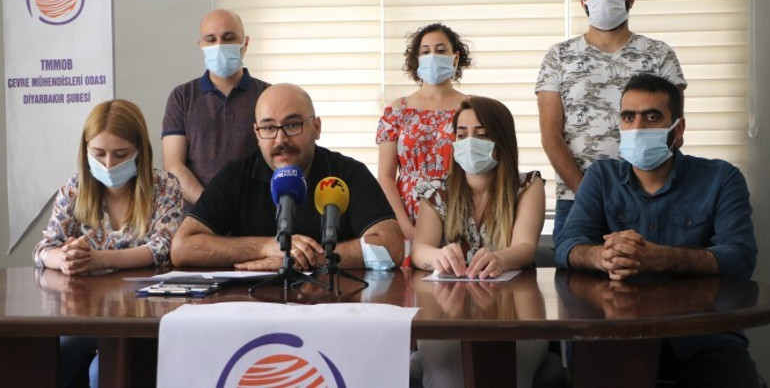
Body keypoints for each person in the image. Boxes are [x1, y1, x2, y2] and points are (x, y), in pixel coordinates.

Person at [555, 74, 760, 387]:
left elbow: (740, 258)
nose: (637, 127)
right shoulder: (601, 176)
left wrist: (662, 258)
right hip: (615, 334)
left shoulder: (721, 178)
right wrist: (601, 256)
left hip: (703, 334)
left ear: (678, 129)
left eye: (652, 117)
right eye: (629, 117)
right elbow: (566, 244)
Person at [170, 83, 404, 271]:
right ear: (257, 134)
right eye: (269, 128)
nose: (280, 140)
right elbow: (182, 248)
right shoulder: (237, 175)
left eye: (292, 125)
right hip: (256, 305)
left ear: (316, 128)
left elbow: (391, 246)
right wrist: (265, 247)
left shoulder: (347, 173)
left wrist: (311, 258)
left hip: (333, 301)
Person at [32, 99, 183, 388]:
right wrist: (64, 258)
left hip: (143, 314)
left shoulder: (165, 187)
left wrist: (100, 259)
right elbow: (43, 249)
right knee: (54, 358)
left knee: (101, 372)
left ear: (139, 150)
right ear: (85, 150)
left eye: (121, 154)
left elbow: (163, 248)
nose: (109, 164)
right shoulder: (74, 189)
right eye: (99, 154)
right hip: (85, 313)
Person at [536, 0, 687, 237]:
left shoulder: (660, 54)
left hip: (650, 199)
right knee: (576, 266)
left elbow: (673, 130)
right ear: (584, 3)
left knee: (652, 265)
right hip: (577, 200)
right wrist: (590, 196)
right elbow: (550, 136)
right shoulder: (558, 56)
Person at [410, 96, 548, 387]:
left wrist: (499, 259)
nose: (469, 143)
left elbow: (525, 248)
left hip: (514, 312)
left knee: (509, 373)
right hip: (447, 314)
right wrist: (437, 257)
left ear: (502, 141)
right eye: (462, 135)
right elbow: (420, 249)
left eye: (481, 135)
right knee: (445, 372)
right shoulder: (436, 191)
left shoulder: (528, 186)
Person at [376, 23, 471, 262]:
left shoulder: (472, 108)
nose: (433, 56)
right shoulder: (397, 110)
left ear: (455, 57)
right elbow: (386, 176)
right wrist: (405, 227)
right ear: (417, 59)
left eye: (440, 50)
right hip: (406, 214)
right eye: (425, 51)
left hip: (458, 210)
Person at [162, 9, 270, 212]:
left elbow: (279, 158)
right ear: (201, 45)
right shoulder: (182, 96)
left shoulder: (268, 96)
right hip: (199, 218)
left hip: (255, 215)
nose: (219, 45)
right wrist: (212, 207)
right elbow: (173, 165)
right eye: (211, 40)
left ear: (245, 43)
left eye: (229, 38)